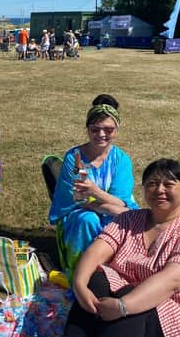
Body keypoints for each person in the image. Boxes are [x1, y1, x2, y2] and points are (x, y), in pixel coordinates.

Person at [42, 159, 180, 337]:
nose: (159, 190)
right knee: (96, 278)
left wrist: (124, 306)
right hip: (117, 309)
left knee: (139, 300)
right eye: (152, 183)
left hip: (170, 324)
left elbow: (172, 280)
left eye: (169, 184)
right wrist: (80, 286)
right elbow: (96, 251)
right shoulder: (130, 219)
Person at [49, 94, 138, 279]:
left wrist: (93, 191)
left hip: (110, 211)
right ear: (87, 129)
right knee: (88, 220)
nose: (101, 135)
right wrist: (105, 205)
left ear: (117, 130)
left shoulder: (121, 160)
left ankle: (113, 276)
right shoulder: (74, 158)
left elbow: (121, 202)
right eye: (95, 129)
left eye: (108, 129)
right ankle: (81, 274)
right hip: (78, 213)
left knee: (120, 220)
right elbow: (75, 200)